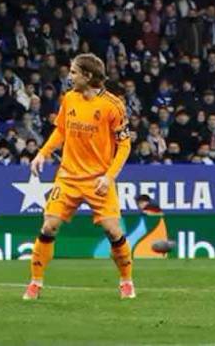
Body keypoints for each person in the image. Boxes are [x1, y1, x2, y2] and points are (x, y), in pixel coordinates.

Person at [25, 53, 134, 301]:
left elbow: (125, 146)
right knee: (49, 225)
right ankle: (35, 283)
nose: (69, 76)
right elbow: (61, 130)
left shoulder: (113, 105)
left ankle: (126, 281)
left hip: (98, 179)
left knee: (113, 230)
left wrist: (109, 177)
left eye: (74, 72)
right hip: (68, 177)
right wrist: (43, 153)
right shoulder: (70, 98)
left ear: (88, 76)